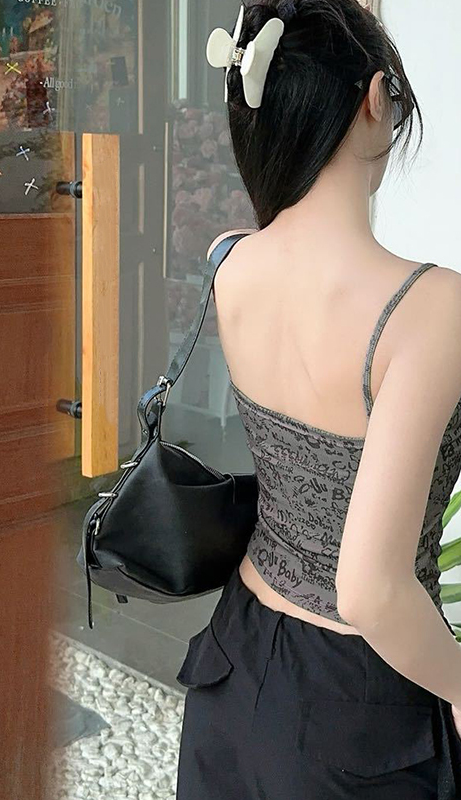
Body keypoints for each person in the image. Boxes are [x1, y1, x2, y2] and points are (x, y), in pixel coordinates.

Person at [176, 1, 461, 798]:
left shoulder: (231, 260)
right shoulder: (432, 310)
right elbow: (369, 589)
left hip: (235, 659)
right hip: (361, 707)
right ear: (374, 100)